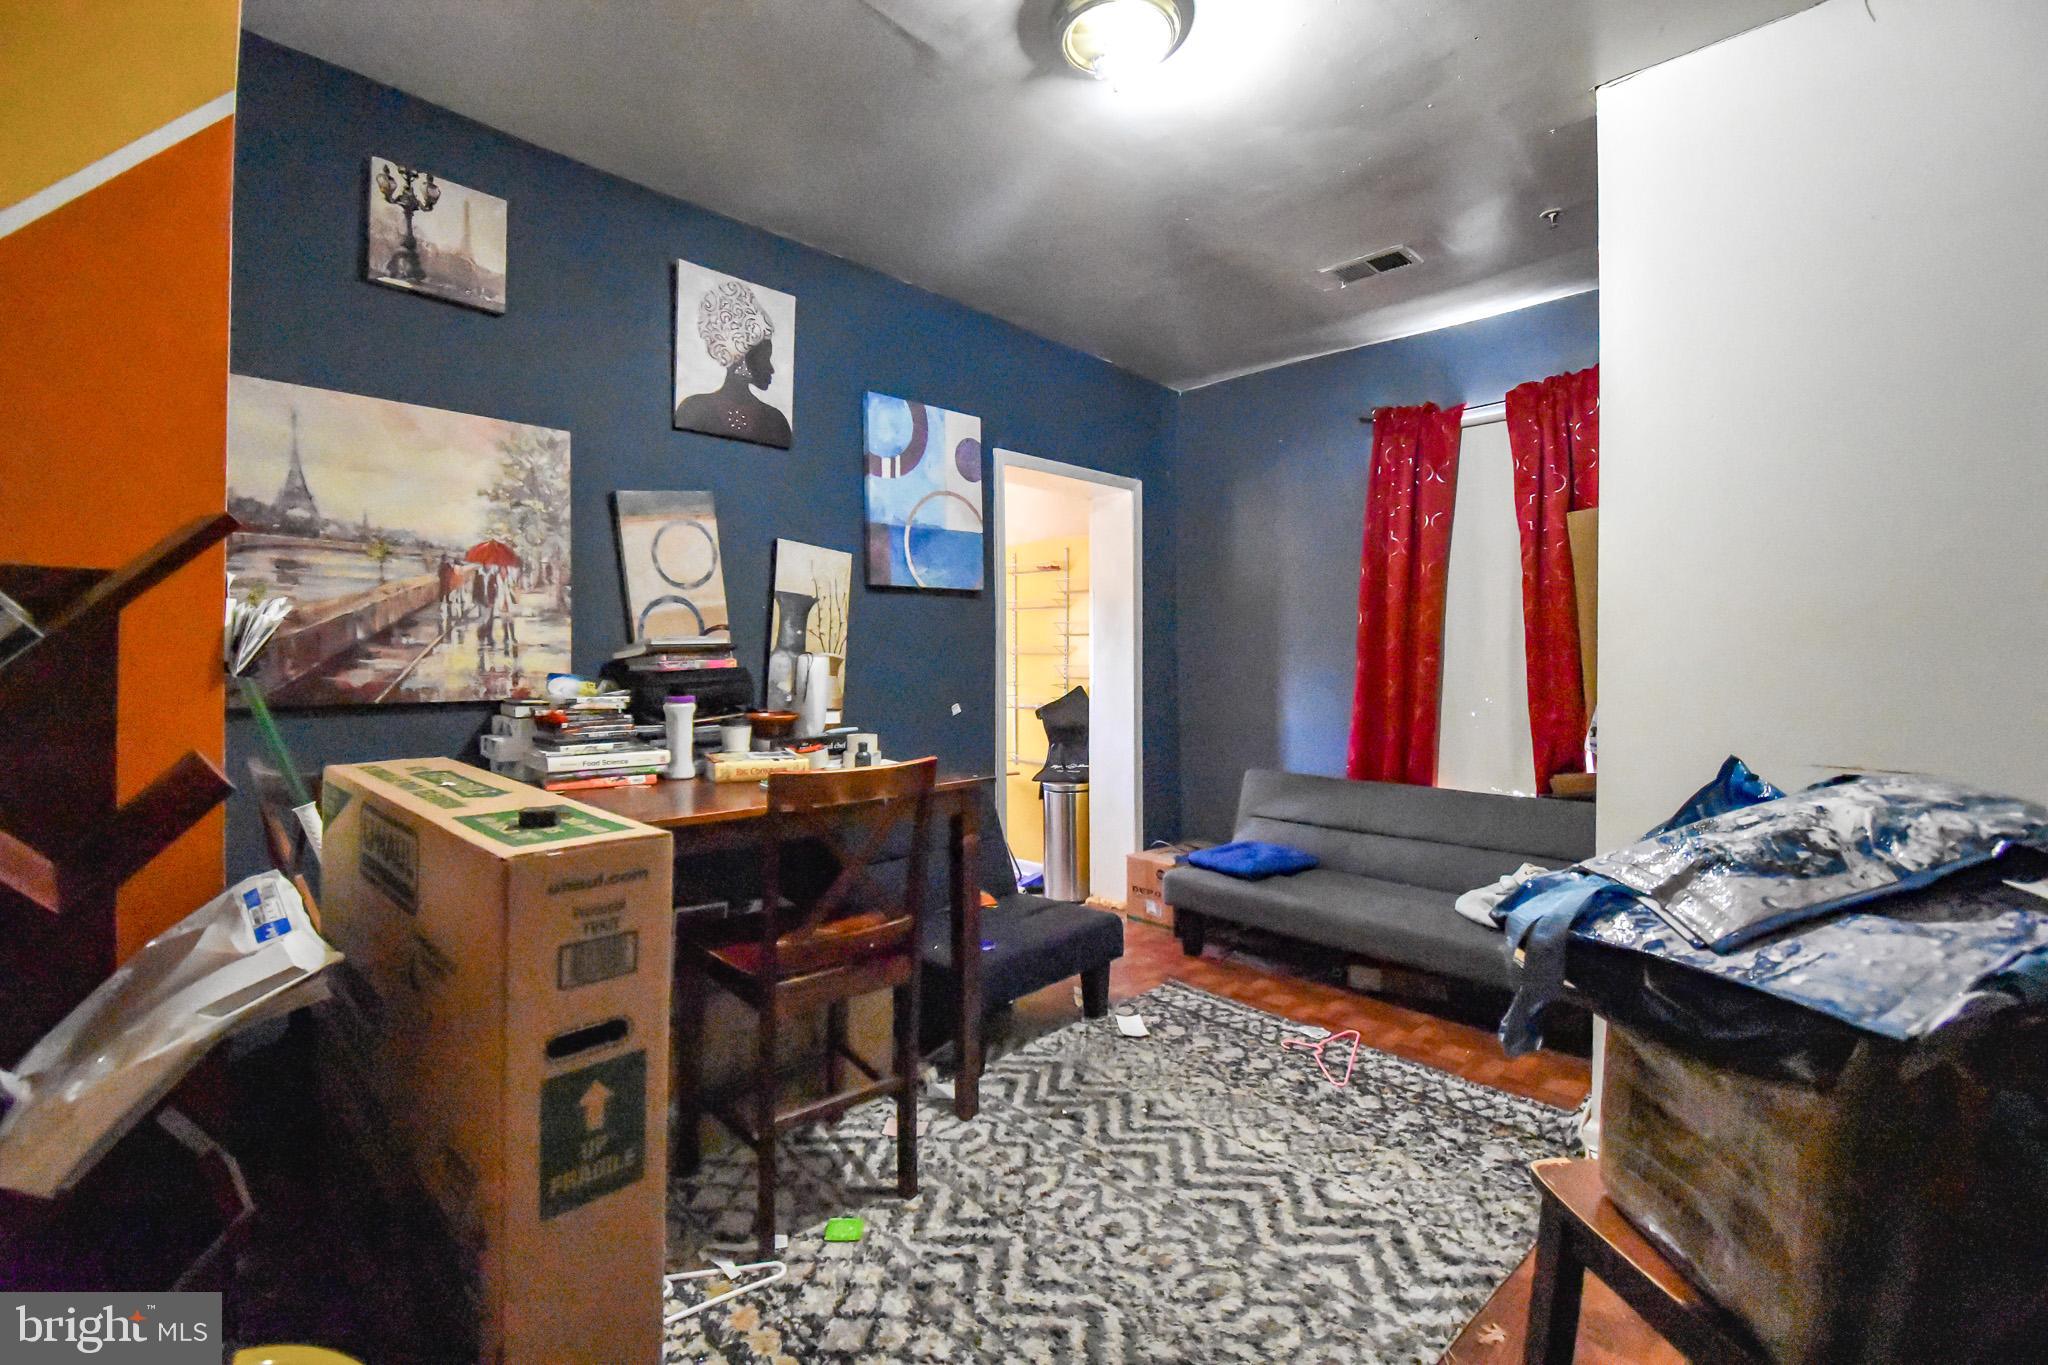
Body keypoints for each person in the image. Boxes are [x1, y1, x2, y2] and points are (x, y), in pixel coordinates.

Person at [673, 279, 792, 447]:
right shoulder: (692, 409)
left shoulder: (776, 421)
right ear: (741, 357)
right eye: (765, 358)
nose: (772, 369)